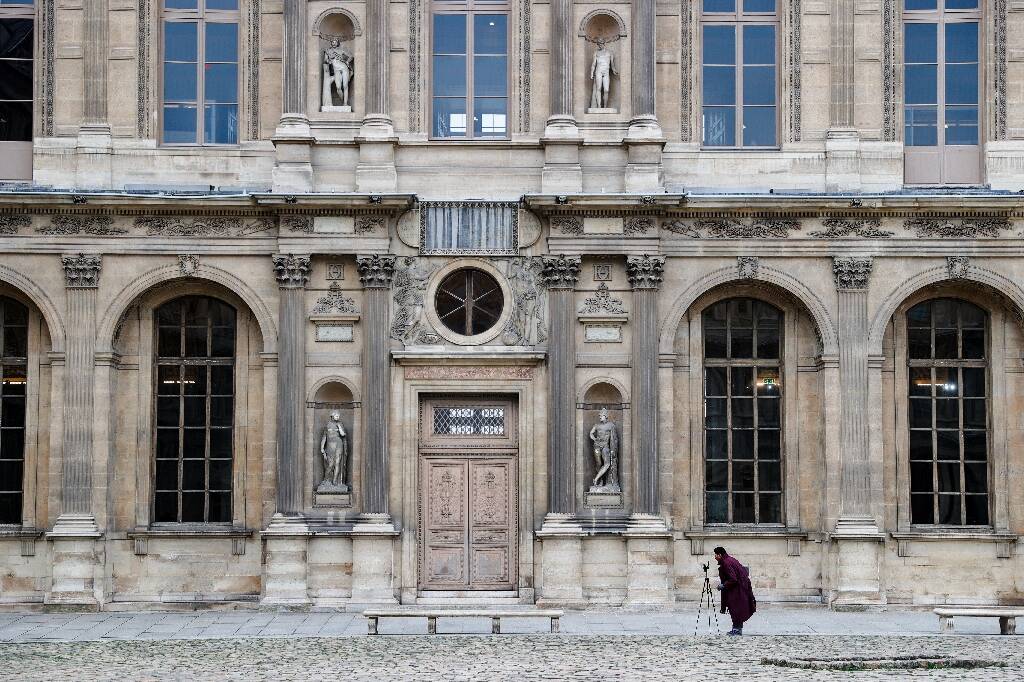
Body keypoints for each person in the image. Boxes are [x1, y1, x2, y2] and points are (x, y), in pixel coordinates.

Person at [714, 546, 756, 636]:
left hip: (736, 590)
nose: (715, 557)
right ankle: (737, 629)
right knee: (737, 609)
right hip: (740, 588)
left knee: (735, 609)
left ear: (720, 555)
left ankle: (736, 630)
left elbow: (733, 579)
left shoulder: (726, 563)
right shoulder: (731, 559)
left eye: (716, 555)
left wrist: (723, 585)